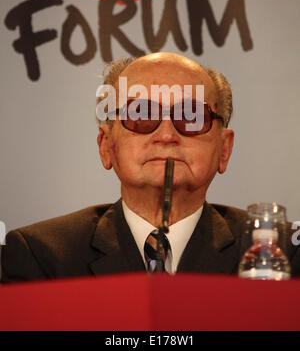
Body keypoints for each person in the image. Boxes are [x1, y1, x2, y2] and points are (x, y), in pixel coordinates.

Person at [1, 52, 299, 282]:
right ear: (106, 146)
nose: (167, 135)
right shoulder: (39, 256)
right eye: (141, 115)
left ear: (224, 149)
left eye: (191, 117)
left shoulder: (284, 254)